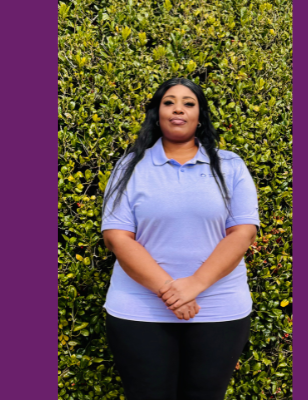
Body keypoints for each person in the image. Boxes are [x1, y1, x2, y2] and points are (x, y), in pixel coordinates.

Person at [101, 77, 260, 400]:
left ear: (199, 116)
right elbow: (117, 237)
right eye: (169, 102)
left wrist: (194, 285)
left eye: (189, 103)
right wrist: (171, 291)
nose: (178, 109)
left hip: (218, 309)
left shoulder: (231, 166)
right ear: (157, 114)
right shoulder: (130, 166)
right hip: (140, 310)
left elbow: (243, 232)